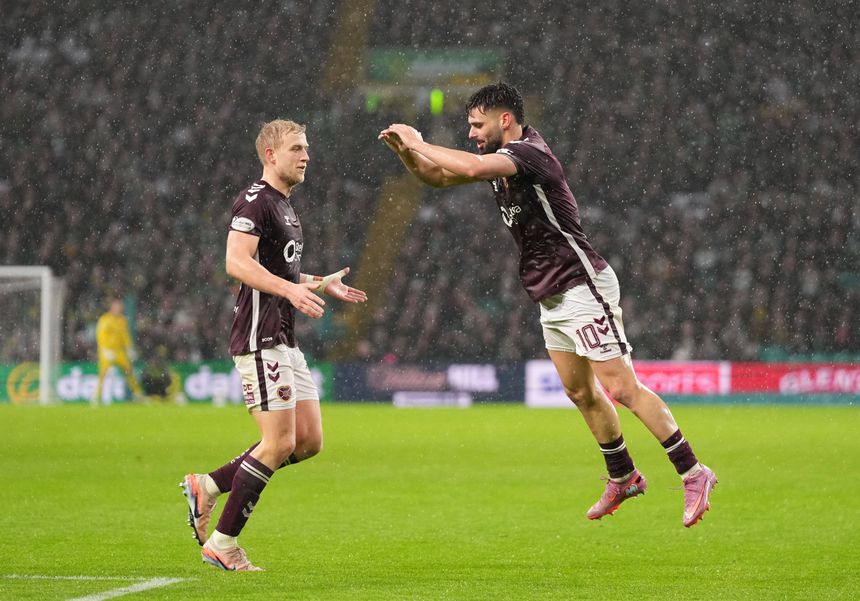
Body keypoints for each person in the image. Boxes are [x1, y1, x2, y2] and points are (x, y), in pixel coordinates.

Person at [379, 82, 717, 527]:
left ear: (505, 120)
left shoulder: (528, 154)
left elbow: (473, 166)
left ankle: (693, 472)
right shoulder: (501, 162)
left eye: (477, 125)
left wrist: (421, 140)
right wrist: (407, 151)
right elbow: (438, 177)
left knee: (620, 387)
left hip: (581, 283)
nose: (472, 133)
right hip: (550, 294)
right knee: (579, 391)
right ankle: (624, 476)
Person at [180, 119, 367, 571]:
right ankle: (223, 543)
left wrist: (321, 284)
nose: (306, 156)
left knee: (307, 442)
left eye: (307, 148)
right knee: (278, 442)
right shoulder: (255, 201)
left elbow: (281, 276)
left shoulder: (285, 208)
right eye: (297, 148)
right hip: (260, 338)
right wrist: (290, 293)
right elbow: (235, 262)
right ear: (270, 154)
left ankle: (206, 485)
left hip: (284, 338)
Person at [92, 297, 143, 405]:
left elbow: (125, 335)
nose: (119, 309)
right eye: (117, 306)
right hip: (107, 351)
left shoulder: (122, 320)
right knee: (103, 374)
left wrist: (129, 348)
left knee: (129, 370)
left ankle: (138, 394)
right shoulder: (105, 319)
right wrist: (104, 349)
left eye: (120, 307)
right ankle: (97, 397)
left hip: (119, 351)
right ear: (112, 307)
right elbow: (100, 335)